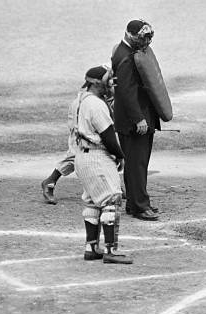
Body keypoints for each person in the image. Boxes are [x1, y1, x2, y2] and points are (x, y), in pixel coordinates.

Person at [112, 19, 169, 221]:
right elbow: (126, 93)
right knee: (138, 164)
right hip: (134, 122)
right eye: (143, 37)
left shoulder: (123, 51)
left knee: (135, 164)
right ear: (130, 35)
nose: (147, 42)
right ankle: (139, 206)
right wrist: (139, 119)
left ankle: (134, 203)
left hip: (133, 119)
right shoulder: (126, 57)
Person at [74, 65, 132, 264]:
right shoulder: (96, 105)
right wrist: (120, 155)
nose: (111, 82)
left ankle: (91, 248)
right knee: (111, 200)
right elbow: (108, 136)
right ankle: (110, 250)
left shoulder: (80, 100)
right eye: (108, 78)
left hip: (82, 157)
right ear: (96, 82)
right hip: (97, 157)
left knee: (92, 201)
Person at [40, 71, 125, 204]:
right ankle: (50, 181)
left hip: (88, 107)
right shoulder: (96, 90)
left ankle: (113, 183)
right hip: (80, 110)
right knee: (80, 150)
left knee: (100, 148)